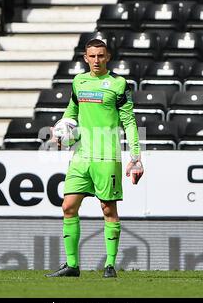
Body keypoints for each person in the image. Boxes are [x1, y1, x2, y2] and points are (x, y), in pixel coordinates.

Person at [45, 38, 144, 278]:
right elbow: (72, 112)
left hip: (106, 156)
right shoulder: (79, 81)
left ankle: (109, 265)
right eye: (92, 56)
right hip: (81, 156)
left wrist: (136, 156)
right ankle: (72, 266)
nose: (97, 60)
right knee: (68, 206)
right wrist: (60, 129)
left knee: (108, 209)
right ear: (85, 58)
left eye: (101, 55)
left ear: (108, 57)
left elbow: (129, 122)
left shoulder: (119, 84)